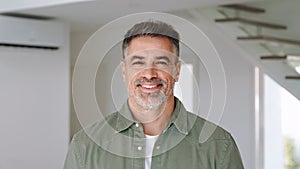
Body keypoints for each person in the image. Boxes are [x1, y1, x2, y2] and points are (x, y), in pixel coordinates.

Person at [64, 20, 244, 169]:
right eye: (138, 63)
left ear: (177, 70)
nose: (149, 74)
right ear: (124, 70)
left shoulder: (219, 144)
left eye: (161, 62)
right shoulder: (85, 145)